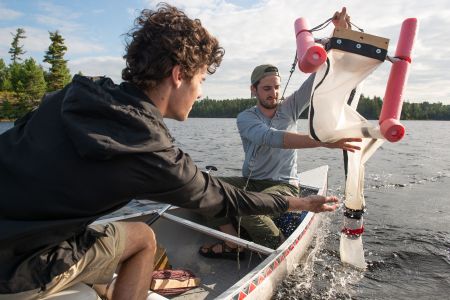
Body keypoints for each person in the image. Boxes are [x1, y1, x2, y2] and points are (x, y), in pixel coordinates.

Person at [0, 3, 340, 300]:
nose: (202, 93)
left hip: (18, 241)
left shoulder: (71, 96)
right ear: (179, 75)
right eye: (201, 80)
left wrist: (333, 52)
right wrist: (299, 203)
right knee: (144, 238)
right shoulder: (149, 149)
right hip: (20, 270)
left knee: (107, 235)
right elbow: (223, 199)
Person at [199, 7, 360, 257]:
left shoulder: (290, 107)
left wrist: (340, 33)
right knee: (200, 188)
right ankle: (233, 242)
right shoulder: (245, 118)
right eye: (266, 88)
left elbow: (320, 76)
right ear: (253, 90)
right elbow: (270, 138)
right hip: (253, 182)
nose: (273, 93)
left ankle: (275, 249)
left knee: (247, 208)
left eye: (275, 87)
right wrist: (323, 142)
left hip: (283, 186)